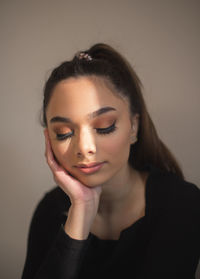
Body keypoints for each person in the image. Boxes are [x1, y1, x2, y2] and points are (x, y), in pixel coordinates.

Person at [21, 43, 200, 279]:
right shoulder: (49, 211)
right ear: (49, 139)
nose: (85, 148)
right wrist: (81, 210)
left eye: (104, 127)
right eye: (63, 132)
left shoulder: (181, 203)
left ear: (134, 126)